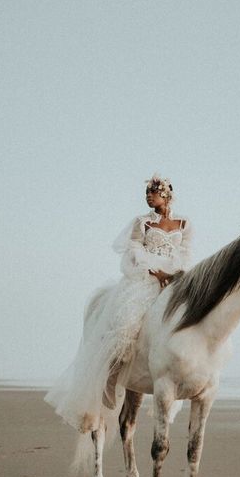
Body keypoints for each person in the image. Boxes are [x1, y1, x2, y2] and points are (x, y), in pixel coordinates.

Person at [44, 175, 192, 432]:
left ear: (166, 195)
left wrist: (172, 273)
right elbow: (133, 249)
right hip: (146, 278)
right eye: (147, 192)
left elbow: (186, 253)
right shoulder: (142, 222)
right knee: (127, 321)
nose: (148, 196)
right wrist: (154, 270)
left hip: (173, 279)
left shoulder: (185, 224)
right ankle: (112, 376)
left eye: (153, 192)